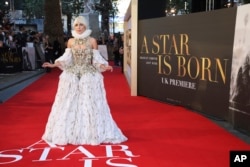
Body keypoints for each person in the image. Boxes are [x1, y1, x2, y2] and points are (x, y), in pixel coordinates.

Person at [41, 16, 127, 145]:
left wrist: (104, 66)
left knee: (89, 103)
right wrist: (54, 64)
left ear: (85, 26)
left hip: (89, 75)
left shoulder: (92, 41)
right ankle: (70, 132)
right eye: (76, 25)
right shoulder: (70, 41)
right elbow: (67, 58)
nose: (79, 27)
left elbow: (96, 59)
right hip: (72, 75)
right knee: (70, 103)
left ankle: (91, 133)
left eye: (81, 25)